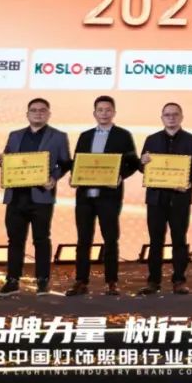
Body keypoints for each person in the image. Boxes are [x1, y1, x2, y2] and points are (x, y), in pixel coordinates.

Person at [0, 97, 72, 297]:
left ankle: (43, 281)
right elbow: (9, 162)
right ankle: (12, 281)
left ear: (48, 114)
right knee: (15, 240)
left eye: (42, 110)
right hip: (16, 197)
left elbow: (65, 163)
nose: (38, 113)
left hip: (41, 197)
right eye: (34, 110)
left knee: (41, 239)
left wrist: (54, 178)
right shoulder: (15, 135)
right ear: (27, 114)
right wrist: (1, 160)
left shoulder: (58, 136)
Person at [65, 96, 140, 297]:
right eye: (100, 110)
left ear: (113, 112)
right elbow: (77, 161)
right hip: (85, 196)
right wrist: (74, 176)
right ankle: (81, 281)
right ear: (94, 113)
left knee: (110, 239)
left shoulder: (123, 135)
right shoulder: (85, 136)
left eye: (108, 110)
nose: (104, 113)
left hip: (109, 196)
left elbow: (133, 162)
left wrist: (120, 176)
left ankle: (111, 282)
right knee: (83, 240)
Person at [138, 102, 192, 295]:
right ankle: (153, 281)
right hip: (156, 199)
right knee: (155, 240)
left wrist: (188, 182)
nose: (171, 118)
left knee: (179, 240)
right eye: (167, 115)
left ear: (181, 117)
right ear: (162, 118)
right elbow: (143, 168)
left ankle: (179, 280)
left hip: (180, 198)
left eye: (175, 114)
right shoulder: (151, 140)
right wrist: (142, 162)